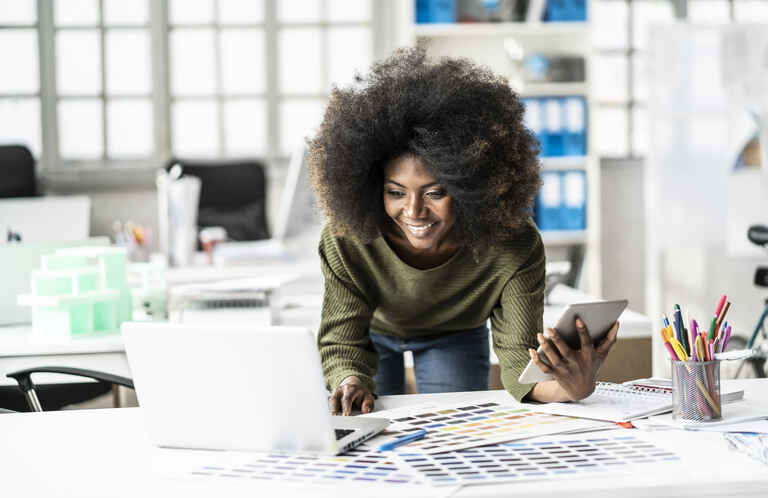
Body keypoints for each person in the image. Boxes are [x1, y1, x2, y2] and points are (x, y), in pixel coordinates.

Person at [308, 48, 619, 416]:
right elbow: (342, 337)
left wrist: (570, 388)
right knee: (369, 421)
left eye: (435, 192)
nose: (413, 211)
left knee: (452, 426)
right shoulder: (348, 235)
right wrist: (348, 380)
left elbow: (520, 361)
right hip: (373, 330)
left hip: (456, 333)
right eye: (395, 192)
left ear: (471, 187)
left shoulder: (512, 243)